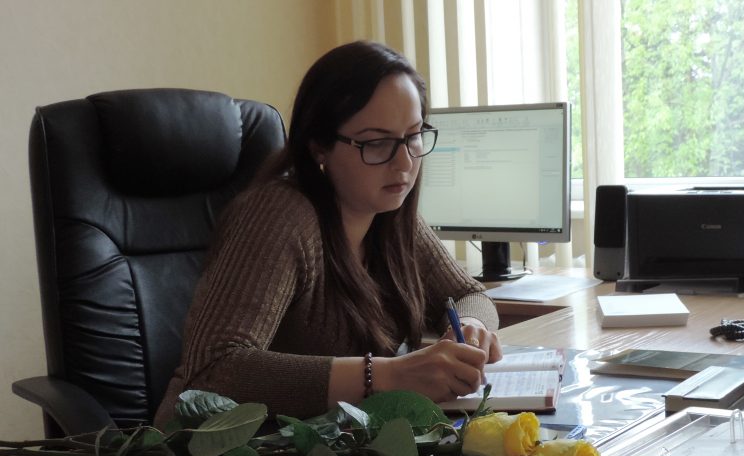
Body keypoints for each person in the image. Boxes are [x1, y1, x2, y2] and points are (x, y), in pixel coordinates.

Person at [153, 41, 501, 427]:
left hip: (333, 448)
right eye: (377, 142)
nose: (404, 162)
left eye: (413, 135)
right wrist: (385, 376)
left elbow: (470, 294)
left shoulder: (388, 215)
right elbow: (213, 372)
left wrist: (471, 328)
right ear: (320, 146)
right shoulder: (279, 215)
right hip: (216, 452)